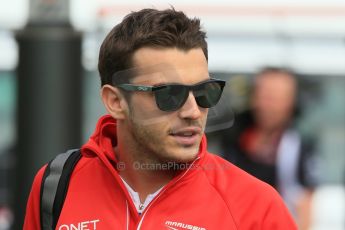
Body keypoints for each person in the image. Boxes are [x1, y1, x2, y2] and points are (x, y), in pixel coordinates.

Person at [24, 8, 296, 229]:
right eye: (169, 94)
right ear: (115, 101)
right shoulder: (57, 183)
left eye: (204, 92)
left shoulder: (256, 206)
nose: (193, 111)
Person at [220, 67, 317, 229]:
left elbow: (304, 208)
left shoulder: (297, 147)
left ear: (290, 103)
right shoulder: (235, 140)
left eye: (273, 98)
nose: (264, 104)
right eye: (260, 95)